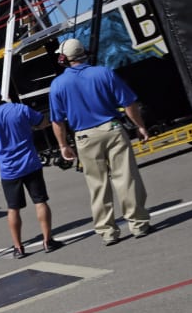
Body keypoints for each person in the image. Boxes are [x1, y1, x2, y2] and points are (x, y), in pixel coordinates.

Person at [49, 37, 151, 245]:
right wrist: (140, 125)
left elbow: (57, 121)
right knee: (126, 178)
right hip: (111, 128)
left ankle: (107, 232)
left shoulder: (58, 84)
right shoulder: (103, 72)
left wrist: (63, 145)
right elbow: (128, 103)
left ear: (63, 59)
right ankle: (138, 224)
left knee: (97, 185)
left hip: (84, 136)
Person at [0, 81, 64, 258]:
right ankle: (48, 241)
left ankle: (18, 247)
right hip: (30, 162)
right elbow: (43, 122)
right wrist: (31, 128)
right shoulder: (20, 109)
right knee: (40, 201)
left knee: (13, 208)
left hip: (8, 169)